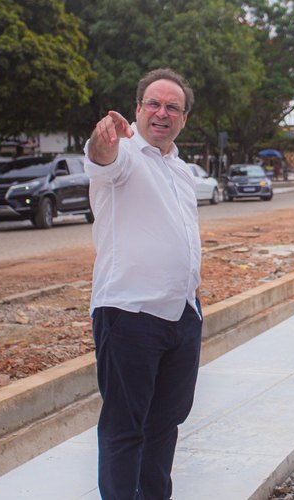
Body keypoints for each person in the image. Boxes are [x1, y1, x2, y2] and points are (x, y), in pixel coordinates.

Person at [84, 68, 202, 500]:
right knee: (124, 427)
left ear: (184, 118)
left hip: (182, 315)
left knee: (165, 423)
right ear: (137, 110)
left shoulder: (182, 171)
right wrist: (103, 141)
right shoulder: (125, 155)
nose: (162, 113)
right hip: (129, 314)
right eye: (153, 103)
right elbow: (102, 158)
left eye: (173, 107)